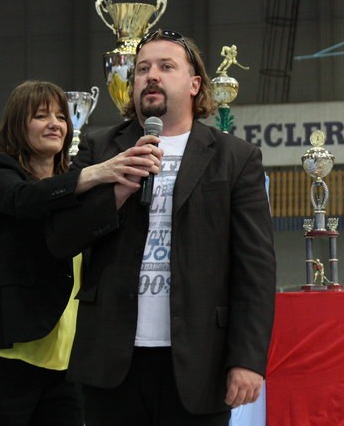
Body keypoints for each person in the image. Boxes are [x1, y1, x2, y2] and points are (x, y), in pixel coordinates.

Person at [47, 29, 277, 425]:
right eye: (142, 69)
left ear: (194, 84)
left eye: (166, 67)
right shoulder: (100, 149)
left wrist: (247, 360)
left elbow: (255, 268)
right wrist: (116, 191)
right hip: (109, 361)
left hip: (199, 363)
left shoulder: (235, 158)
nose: (151, 76)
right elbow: (61, 238)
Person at [0, 80, 161, 426]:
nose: (55, 124)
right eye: (41, 116)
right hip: (6, 357)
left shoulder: (74, 180)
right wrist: (98, 171)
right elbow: (26, 199)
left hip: (68, 364)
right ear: (18, 124)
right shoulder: (0, 170)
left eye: (61, 117)